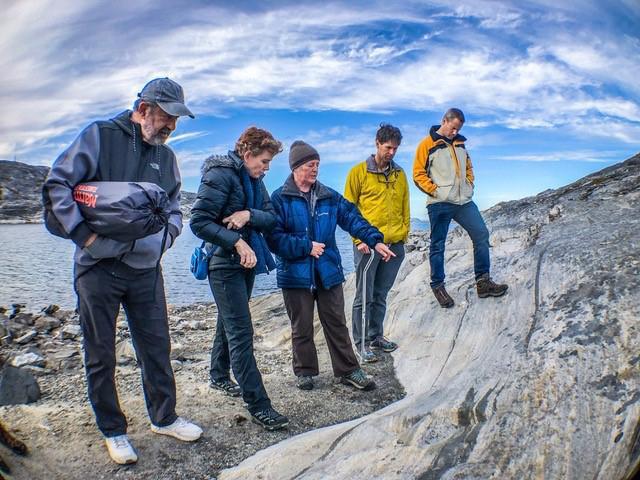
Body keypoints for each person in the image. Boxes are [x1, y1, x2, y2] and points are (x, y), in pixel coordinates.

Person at [42, 78, 202, 465]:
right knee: (101, 353)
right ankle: (113, 430)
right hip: (97, 268)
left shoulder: (167, 158)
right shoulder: (100, 135)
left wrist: (166, 239)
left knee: (157, 346)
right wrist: (86, 238)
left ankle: (163, 417)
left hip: (146, 269)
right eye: (167, 117)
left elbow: (176, 207)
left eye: (176, 120)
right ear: (144, 108)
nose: (172, 127)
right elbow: (58, 184)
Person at [267, 140, 396, 392]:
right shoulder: (280, 198)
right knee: (301, 326)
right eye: (309, 165)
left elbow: (353, 219)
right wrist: (306, 246)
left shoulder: (328, 196)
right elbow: (274, 239)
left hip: (327, 271)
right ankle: (305, 371)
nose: (315, 169)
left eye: (317, 165)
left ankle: (348, 370)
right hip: (295, 274)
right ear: (295, 167)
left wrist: (375, 240)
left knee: (336, 322)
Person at [189, 127, 289, 431]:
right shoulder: (220, 175)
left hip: (244, 264)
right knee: (241, 332)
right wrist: (235, 241)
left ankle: (218, 376)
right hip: (222, 265)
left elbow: (271, 219)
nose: (267, 167)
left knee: (228, 321)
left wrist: (247, 215)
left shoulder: (255, 181)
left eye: (269, 163)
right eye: (265, 161)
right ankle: (259, 405)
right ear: (247, 155)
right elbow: (198, 222)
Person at [412, 108, 508, 308]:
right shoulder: (427, 144)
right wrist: (436, 191)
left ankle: (483, 282)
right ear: (444, 121)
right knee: (438, 244)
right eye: (453, 128)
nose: (454, 132)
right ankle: (438, 286)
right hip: (440, 202)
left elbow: (469, 168)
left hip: (463, 201)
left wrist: (469, 185)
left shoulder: (461, 144)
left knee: (481, 234)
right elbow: (418, 174)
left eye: (458, 129)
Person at [344, 123, 409, 363]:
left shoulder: (399, 174)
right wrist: (359, 239)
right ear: (377, 144)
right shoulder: (358, 172)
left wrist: (403, 235)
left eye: (395, 148)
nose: (391, 152)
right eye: (388, 147)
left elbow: (405, 207)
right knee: (364, 295)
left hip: (394, 245)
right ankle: (360, 344)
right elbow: (348, 210)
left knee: (381, 294)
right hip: (368, 246)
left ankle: (376, 335)